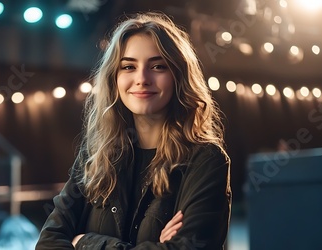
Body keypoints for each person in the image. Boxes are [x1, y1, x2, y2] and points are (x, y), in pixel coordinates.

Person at [36, 12, 231, 249]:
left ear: (178, 76)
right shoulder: (96, 155)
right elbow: (48, 243)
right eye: (128, 66)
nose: (142, 78)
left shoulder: (206, 160)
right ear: (114, 79)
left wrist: (86, 242)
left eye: (158, 66)